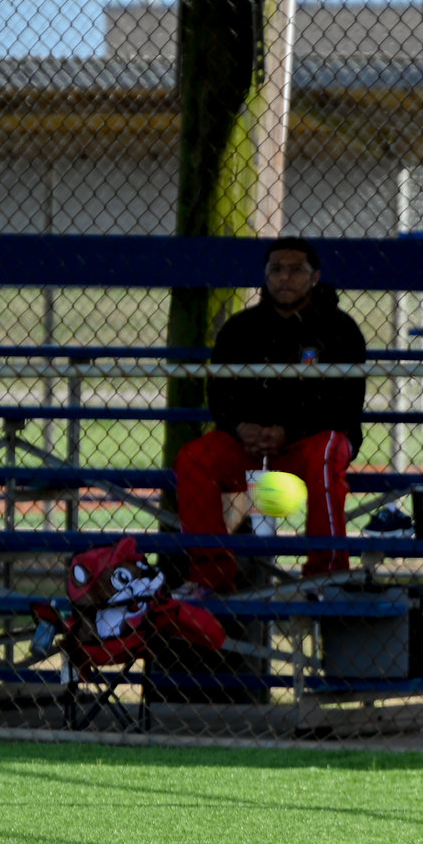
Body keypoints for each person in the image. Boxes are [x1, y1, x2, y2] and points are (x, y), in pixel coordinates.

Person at [174, 238, 367, 593]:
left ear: (315, 276)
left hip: (308, 443)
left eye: (296, 269)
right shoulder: (240, 328)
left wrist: (289, 430)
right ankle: (210, 575)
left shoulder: (340, 329)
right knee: (193, 459)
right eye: (276, 269)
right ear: (265, 276)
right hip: (248, 446)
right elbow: (219, 393)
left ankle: (327, 573)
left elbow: (346, 403)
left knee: (328, 452)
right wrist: (238, 426)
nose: (284, 278)